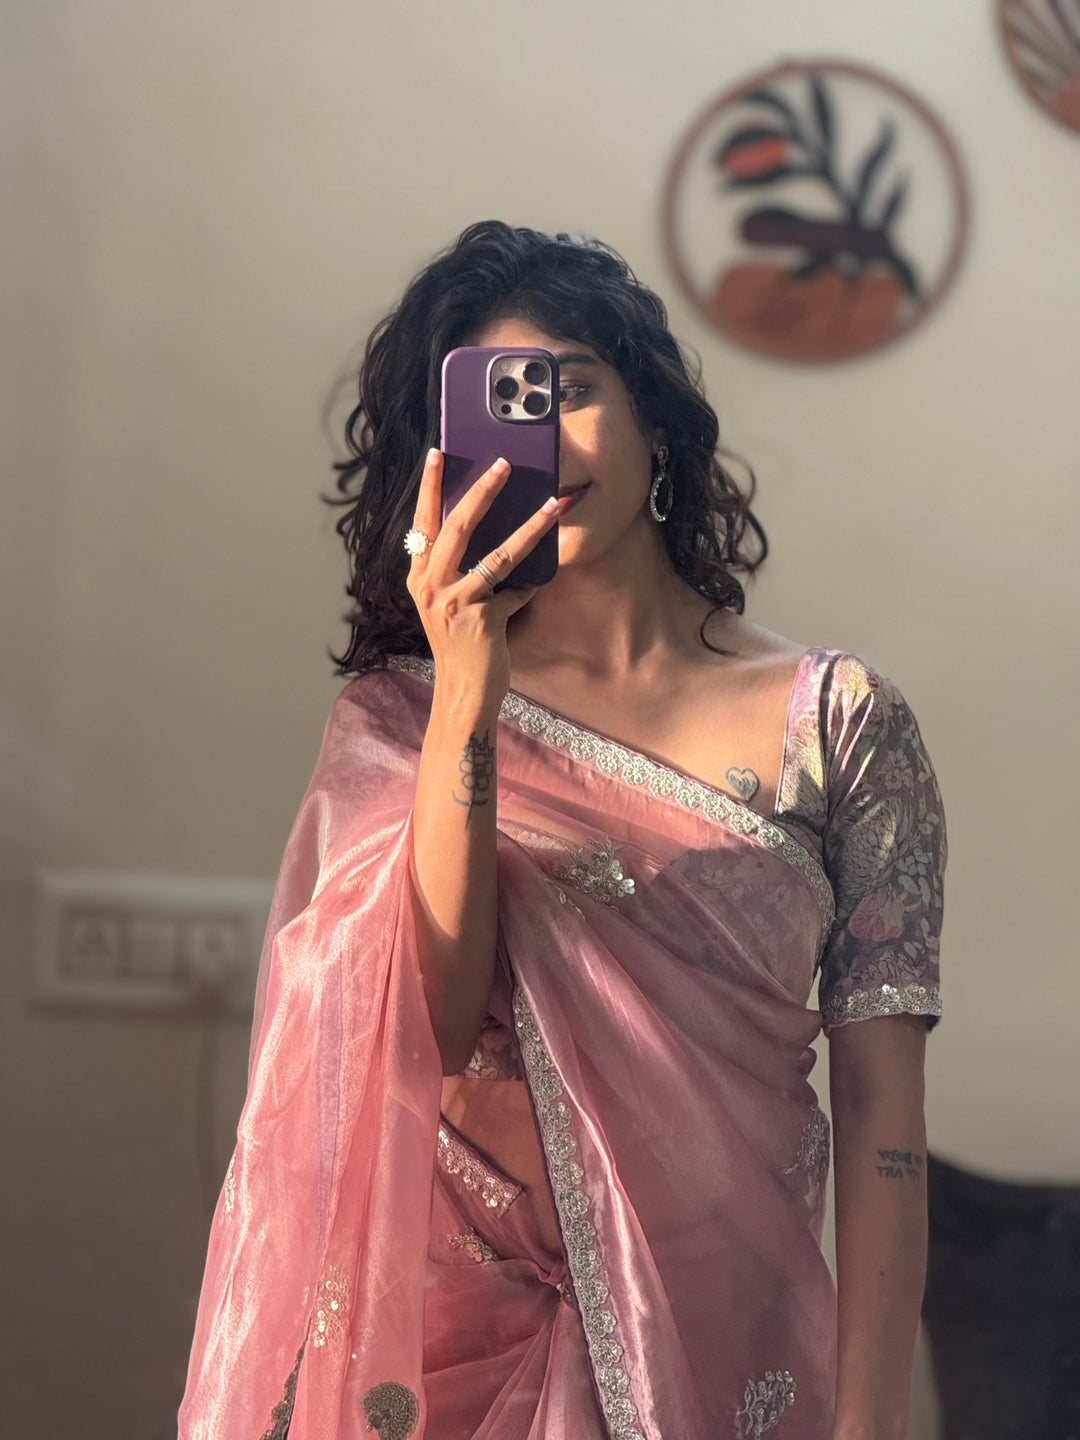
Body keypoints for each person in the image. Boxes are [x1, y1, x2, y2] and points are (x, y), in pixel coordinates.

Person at [179, 221, 945, 1440]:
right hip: (452, 1364)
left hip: (725, 1349)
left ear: (658, 421)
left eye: (570, 390)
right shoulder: (401, 724)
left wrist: (871, 1424)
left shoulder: (839, 724)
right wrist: (467, 700)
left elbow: (884, 1117)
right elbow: (427, 1024)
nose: (542, 441)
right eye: (498, 411)